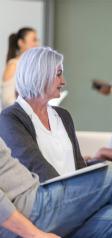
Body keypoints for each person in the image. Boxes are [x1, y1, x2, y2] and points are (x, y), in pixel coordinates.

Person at [0, 138, 112, 238]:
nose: (62, 84)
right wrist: (35, 235)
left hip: (37, 200)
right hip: (29, 209)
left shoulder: (59, 115)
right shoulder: (12, 116)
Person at [0, 47, 86, 182]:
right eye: (58, 74)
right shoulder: (10, 118)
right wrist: (73, 192)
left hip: (76, 197)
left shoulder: (63, 116)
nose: (63, 81)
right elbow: (35, 166)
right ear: (40, 75)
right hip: (47, 198)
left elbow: (79, 165)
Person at [1, 27, 39, 109]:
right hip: (16, 119)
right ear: (21, 43)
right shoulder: (13, 65)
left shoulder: (32, 67)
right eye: (34, 40)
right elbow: (7, 100)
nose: (37, 44)